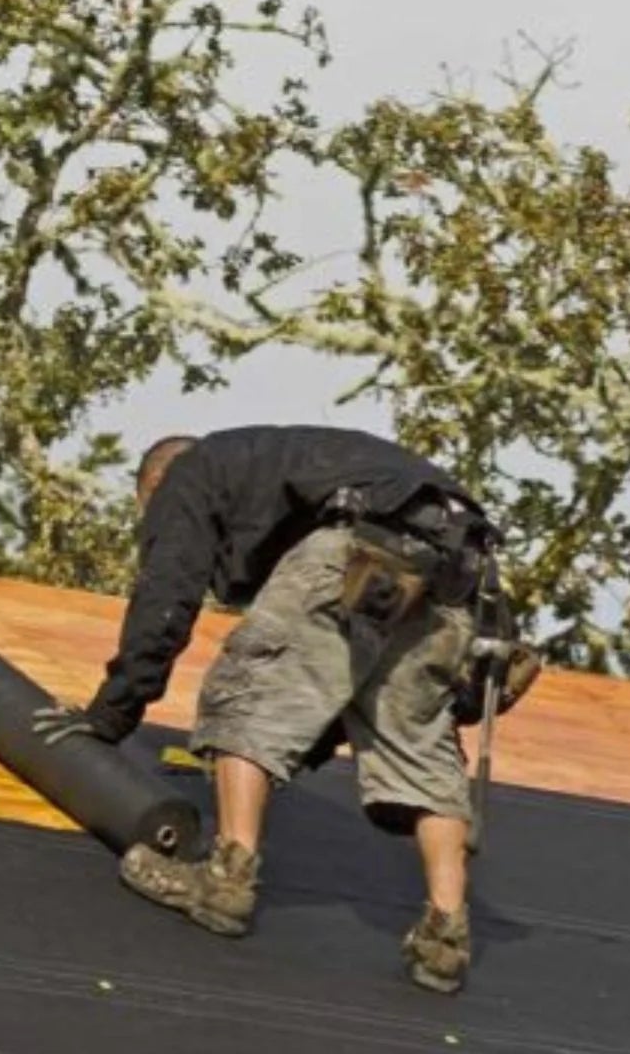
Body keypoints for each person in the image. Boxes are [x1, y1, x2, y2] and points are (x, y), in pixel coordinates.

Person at [36, 424, 492, 994]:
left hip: (362, 543)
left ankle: (226, 880)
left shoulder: (190, 471)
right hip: (460, 570)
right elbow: (337, 677)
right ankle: (445, 936)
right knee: (420, 747)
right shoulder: (302, 465)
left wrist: (112, 713)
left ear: (152, 485)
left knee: (247, 693)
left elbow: (168, 595)